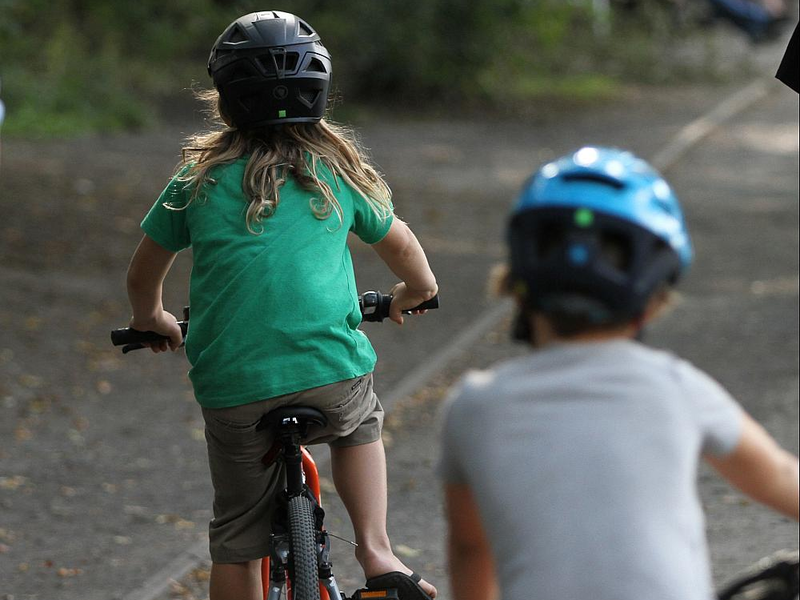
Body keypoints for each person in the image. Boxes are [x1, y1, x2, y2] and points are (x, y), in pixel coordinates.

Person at [124, 11, 438, 600]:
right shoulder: (337, 169)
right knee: (360, 420)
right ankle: (377, 552)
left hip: (235, 385)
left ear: (225, 98)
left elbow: (144, 273)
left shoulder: (196, 180)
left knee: (237, 536)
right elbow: (399, 243)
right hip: (329, 373)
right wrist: (415, 291)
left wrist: (152, 320)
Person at [439, 147, 799, 600]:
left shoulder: (473, 407)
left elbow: (471, 548)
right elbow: (781, 477)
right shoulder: (677, 388)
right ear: (654, 298)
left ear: (516, 281)